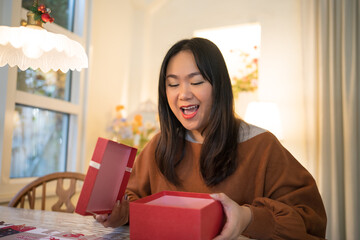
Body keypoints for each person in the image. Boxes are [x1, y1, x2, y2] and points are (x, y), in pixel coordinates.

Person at [95, 37, 327, 239]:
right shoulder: (159, 145)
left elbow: (310, 222)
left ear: (220, 86)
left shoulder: (262, 146)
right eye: (173, 84)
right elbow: (134, 200)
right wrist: (121, 213)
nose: (184, 94)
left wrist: (248, 217)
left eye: (196, 82)